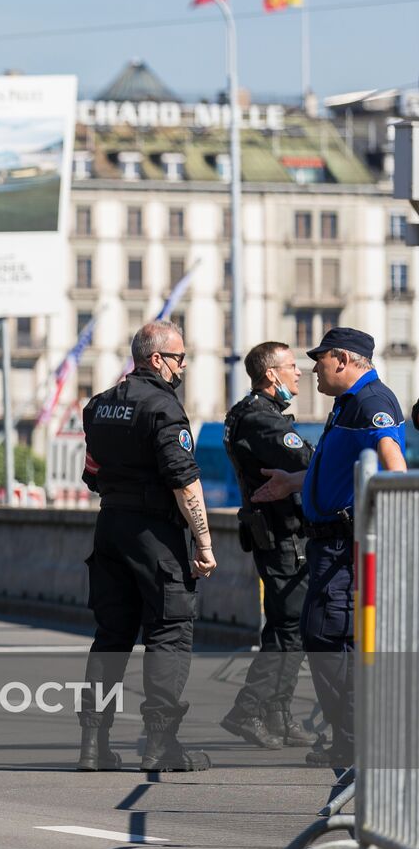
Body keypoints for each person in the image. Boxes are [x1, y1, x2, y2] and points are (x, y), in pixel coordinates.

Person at [251, 328, 406, 768]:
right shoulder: (347, 404)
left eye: (319, 361)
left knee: (330, 637)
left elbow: (393, 468)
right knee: (324, 636)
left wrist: (380, 535)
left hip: (347, 548)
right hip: (331, 546)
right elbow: (337, 469)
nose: (312, 369)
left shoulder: (371, 402)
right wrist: (292, 482)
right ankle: (351, 736)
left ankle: (358, 736)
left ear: (342, 359)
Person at [78, 320, 215, 773]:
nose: (183, 365)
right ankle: (160, 746)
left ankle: (93, 747)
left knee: (112, 638)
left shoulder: (98, 406)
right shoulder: (164, 408)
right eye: (179, 357)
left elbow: (92, 472)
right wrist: (204, 541)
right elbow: (185, 481)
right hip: (155, 534)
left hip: (110, 528)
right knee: (169, 633)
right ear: (157, 359)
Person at [219, 342, 318, 751]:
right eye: (292, 366)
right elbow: (306, 461)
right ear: (271, 374)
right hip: (282, 535)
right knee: (289, 629)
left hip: (278, 533)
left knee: (286, 627)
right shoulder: (261, 420)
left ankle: (278, 713)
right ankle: (249, 709)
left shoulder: (250, 413)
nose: (300, 373)